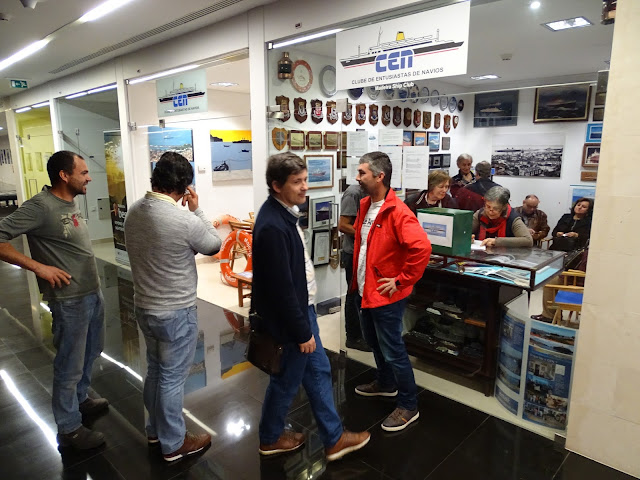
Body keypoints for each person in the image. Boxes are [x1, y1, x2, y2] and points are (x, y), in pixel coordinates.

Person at [253, 153, 370, 461]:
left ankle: (333, 438)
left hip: (300, 314)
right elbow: (282, 289)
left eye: (305, 179)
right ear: (277, 185)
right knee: (287, 380)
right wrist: (302, 331)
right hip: (292, 319)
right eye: (297, 182)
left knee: (318, 371)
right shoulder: (272, 225)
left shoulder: (282, 213)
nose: (305, 187)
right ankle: (270, 438)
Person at [0, 151, 108, 449]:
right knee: (69, 364)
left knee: (91, 351)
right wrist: (39, 267)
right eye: (83, 172)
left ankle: (80, 399)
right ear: (64, 175)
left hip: (91, 292)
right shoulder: (40, 207)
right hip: (69, 301)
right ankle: (69, 428)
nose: (89, 178)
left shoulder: (69, 202)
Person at [124, 152, 221, 463]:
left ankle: (155, 430)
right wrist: (197, 210)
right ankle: (174, 443)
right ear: (185, 187)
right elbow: (214, 245)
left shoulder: (133, 211)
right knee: (172, 378)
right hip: (176, 311)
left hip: (144, 306)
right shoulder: (184, 220)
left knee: (155, 370)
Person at [352, 151, 431, 432]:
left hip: (386, 296)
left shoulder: (398, 211)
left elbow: (422, 248)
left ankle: (409, 405)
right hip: (365, 290)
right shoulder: (366, 205)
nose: (357, 177)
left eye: (362, 172)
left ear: (379, 176)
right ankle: (386, 384)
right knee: (374, 341)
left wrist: (401, 280)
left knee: (394, 350)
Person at [531, 198, 593, 322]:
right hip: (557, 247)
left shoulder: (588, 222)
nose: (579, 207)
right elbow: (554, 231)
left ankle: (548, 314)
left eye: (584, 206)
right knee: (547, 268)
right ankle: (550, 310)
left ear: (588, 210)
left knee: (553, 278)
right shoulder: (566, 217)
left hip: (573, 253)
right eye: (578, 204)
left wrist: (576, 235)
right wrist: (558, 233)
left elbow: (587, 239)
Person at [338, 183, 370, 352]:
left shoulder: (375, 193)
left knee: (364, 294)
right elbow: (343, 225)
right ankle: (353, 337)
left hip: (367, 252)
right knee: (353, 295)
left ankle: (364, 333)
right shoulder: (353, 193)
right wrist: (367, 234)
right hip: (353, 253)